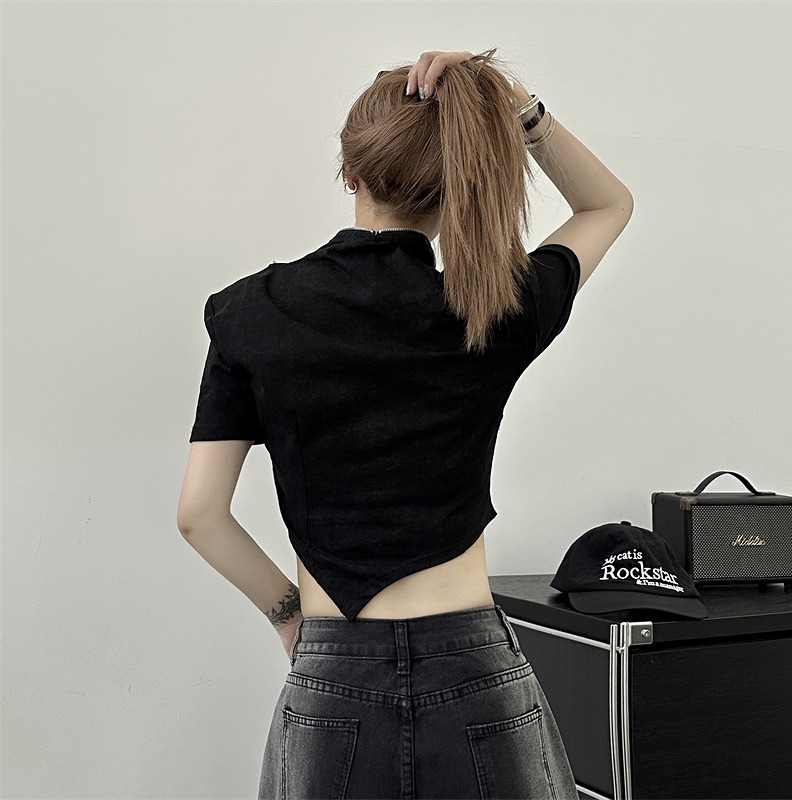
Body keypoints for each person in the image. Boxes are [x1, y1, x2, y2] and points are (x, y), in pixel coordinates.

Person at [177, 48, 633, 799]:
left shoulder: (249, 313)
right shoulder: (495, 308)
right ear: (456, 187)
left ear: (350, 172)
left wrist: (289, 618)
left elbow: (200, 515)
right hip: (477, 674)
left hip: (332, 675)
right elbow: (606, 206)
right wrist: (518, 109)